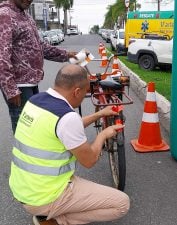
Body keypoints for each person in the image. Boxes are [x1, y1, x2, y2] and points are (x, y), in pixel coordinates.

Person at [9, 64, 130, 225]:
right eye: (86, 91)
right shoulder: (66, 118)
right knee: (122, 203)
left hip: (23, 188)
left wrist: (100, 113)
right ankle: (55, 220)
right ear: (77, 91)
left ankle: (48, 212)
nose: (85, 95)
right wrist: (103, 134)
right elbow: (89, 160)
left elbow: (65, 127)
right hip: (45, 195)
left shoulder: (35, 101)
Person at [0, 0, 78, 133]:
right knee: (25, 131)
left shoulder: (25, 15)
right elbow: (2, 56)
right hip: (19, 86)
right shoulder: (5, 15)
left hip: (31, 83)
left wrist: (67, 55)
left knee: (34, 128)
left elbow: (40, 47)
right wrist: (11, 89)